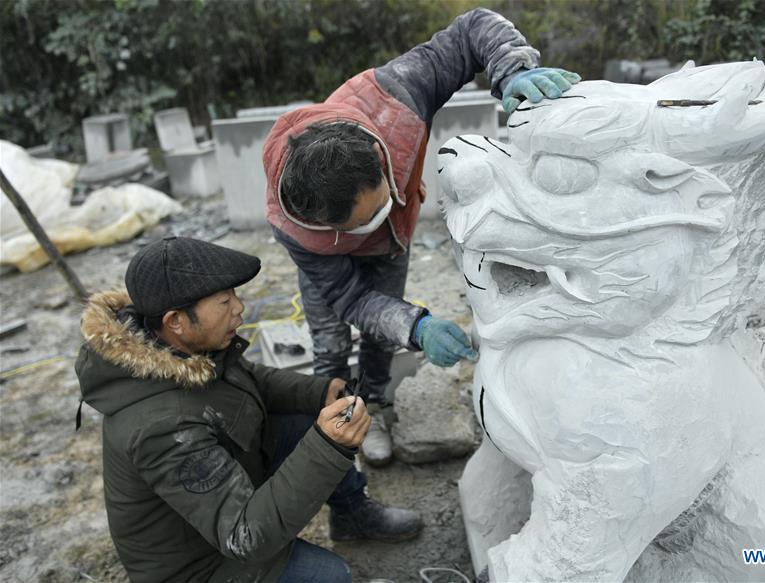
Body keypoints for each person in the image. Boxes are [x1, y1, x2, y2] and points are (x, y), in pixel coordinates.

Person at [263, 8, 580, 465]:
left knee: (381, 336)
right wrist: (417, 326)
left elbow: (472, 29)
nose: (377, 218)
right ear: (324, 224)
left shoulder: (395, 98)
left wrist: (511, 70)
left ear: (378, 154)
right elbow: (351, 299)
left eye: (381, 201)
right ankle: (337, 424)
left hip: (393, 244)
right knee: (330, 341)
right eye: (363, 222)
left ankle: (375, 403)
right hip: (331, 269)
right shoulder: (296, 229)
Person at [75, 236, 422, 583]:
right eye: (225, 301)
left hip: (224, 497)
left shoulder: (179, 347)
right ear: (176, 320)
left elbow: (250, 378)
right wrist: (328, 445)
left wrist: (319, 391)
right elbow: (244, 536)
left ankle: (352, 517)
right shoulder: (162, 427)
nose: (239, 308)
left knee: (308, 420)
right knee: (332, 576)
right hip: (201, 567)